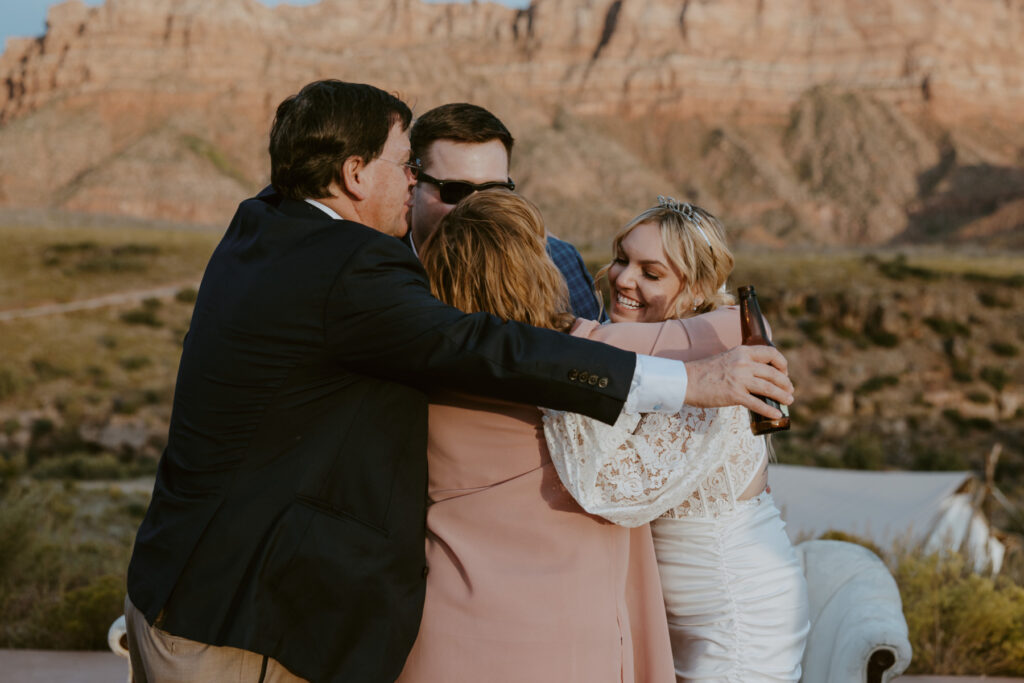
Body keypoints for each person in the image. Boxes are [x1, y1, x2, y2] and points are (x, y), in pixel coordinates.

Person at [120, 80, 794, 683]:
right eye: (408, 167)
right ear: (355, 174)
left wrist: (711, 334)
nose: (412, 182)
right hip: (248, 611)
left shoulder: (262, 223)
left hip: (197, 585)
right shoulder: (356, 266)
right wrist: (696, 370)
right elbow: (492, 346)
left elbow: (553, 336)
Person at [395, 190, 675, 683]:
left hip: (443, 636)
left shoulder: (416, 373)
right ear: (533, 270)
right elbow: (725, 334)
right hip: (566, 641)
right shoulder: (586, 352)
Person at [544, 197, 811, 681]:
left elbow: (611, 489)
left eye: (652, 273)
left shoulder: (719, 371)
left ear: (696, 290)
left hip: (733, 609)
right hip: (677, 612)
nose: (624, 278)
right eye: (623, 259)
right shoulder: (663, 348)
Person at [406, 102, 606, 320]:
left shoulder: (560, 260)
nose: (477, 207)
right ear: (411, 184)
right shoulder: (380, 274)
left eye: (494, 190)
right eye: (456, 191)